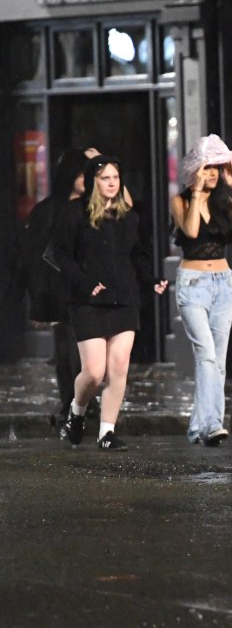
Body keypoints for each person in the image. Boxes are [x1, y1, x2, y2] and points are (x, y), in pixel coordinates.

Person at [52, 155, 168, 450]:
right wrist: (86, 282)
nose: (112, 183)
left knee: (118, 367)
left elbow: (138, 256)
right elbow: (60, 255)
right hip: (87, 301)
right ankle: (77, 412)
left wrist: (152, 279)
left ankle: (106, 432)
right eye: (106, 178)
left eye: (116, 178)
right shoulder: (73, 212)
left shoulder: (128, 216)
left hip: (124, 298)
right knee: (94, 371)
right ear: (94, 181)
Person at [171, 135, 232, 446]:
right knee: (206, 355)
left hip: (223, 283)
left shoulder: (225, 200)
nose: (212, 175)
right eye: (207, 168)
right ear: (195, 169)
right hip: (192, 286)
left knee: (216, 360)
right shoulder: (179, 201)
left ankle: (199, 428)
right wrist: (195, 193)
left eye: (216, 169)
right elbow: (191, 231)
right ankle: (210, 426)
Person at [17, 148, 90, 423]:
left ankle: (82, 403)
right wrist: (39, 303)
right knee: (67, 350)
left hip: (86, 289)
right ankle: (70, 404)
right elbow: (34, 259)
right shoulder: (47, 212)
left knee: (87, 350)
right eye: (82, 173)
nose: (86, 179)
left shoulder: (91, 207)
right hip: (58, 291)